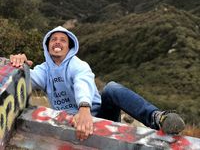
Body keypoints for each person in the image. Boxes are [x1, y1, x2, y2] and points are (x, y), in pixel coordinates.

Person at [10, 26, 185, 141]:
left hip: (98, 117)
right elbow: (27, 81)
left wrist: (84, 109)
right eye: (53, 39)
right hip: (67, 125)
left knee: (111, 89)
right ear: (47, 46)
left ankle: (157, 117)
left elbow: (82, 82)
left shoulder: (78, 65)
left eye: (63, 40)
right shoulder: (44, 70)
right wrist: (19, 66)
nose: (57, 42)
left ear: (69, 47)